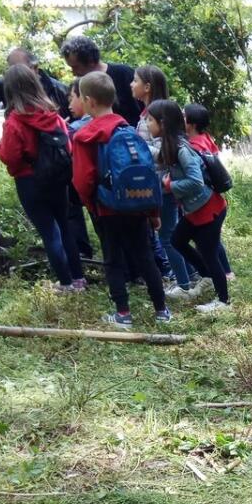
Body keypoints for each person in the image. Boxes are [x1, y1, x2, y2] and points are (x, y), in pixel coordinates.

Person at [71, 71, 172, 327]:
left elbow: (83, 179)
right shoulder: (129, 129)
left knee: (113, 259)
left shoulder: (85, 136)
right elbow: (146, 172)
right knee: (145, 256)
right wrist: (153, 213)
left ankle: (123, 314)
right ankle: (162, 311)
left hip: (107, 209)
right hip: (138, 205)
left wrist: (92, 204)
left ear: (89, 101)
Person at [0, 64, 85, 293]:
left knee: (49, 232)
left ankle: (65, 284)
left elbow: (10, 157)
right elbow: (67, 144)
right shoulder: (53, 115)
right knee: (65, 227)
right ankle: (78, 280)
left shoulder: (14, 122)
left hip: (30, 181)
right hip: (58, 179)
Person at [149, 100, 232, 314]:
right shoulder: (171, 146)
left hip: (208, 209)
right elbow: (158, 160)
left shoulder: (182, 149)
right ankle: (206, 276)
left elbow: (196, 181)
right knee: (177, 240)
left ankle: (223, 301)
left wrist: (171, 185)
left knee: (209, 252)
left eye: (150, 120)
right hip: (195, 210)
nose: (147, 124)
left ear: (163, 123)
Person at [128, 65, 184, 290]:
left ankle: (184, 282)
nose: (131, 85)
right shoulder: (146, 116)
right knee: (167, 235)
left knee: (168, 237)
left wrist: (137, 146)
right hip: (157, 185)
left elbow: (164, 154)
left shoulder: (157, 116)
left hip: (162, 186)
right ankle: (186, 276)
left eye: (135, 80)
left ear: (147, 87)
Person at [181, 102, 234, 287]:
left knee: (208, 245)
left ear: (191, 123)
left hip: (206, 202)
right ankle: (224, 273)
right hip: (213, 200)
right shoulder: (206, 139)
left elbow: (197, 178)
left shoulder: (194, 146)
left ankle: (222, 279)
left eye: (183, 115)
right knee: (210, 242)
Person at [0, 47, 70, 117]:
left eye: (20, 69)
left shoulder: (59, 90)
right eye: (12, 70)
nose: (16, 74)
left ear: (35, 68)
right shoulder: (8, 85)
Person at [60, 36, 140, 126]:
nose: (73, 73)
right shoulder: (81, 85)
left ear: (90, 61)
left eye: (76, 67)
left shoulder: (123, 74)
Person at [64, 81, 94, 258]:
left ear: (85, 99)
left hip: (86, 186)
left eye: (72, 98)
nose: (69, 105)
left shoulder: (75, 129)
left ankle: (82, 251)